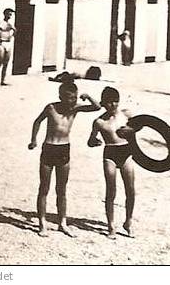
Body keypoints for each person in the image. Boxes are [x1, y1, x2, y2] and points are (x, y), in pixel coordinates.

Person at [29, 82, 101, 236]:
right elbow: (37, 121)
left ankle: (62, 222)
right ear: (60, 96)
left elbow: (97, 107)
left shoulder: (75, 109)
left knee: (61, 190)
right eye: (69, 98)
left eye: (74, 98)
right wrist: (33, 140)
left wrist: (87, 96)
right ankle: (42, 223)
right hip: (49, 147)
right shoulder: (51, 108)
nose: (72, 101)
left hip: (64, 149)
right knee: (44, 188)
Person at [87, 87, 137, 239]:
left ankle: (128, 222)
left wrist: (130, 131)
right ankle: (111, 225)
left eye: (115, 101)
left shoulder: (126, 115)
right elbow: (90, 140)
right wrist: (94, 142)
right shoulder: (99, 122)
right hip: (110, 153)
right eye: (109, 102)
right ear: (103, 103)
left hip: (126, 153)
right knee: (111, 191)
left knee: (131, 190)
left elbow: (139, 127)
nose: (113, 105)